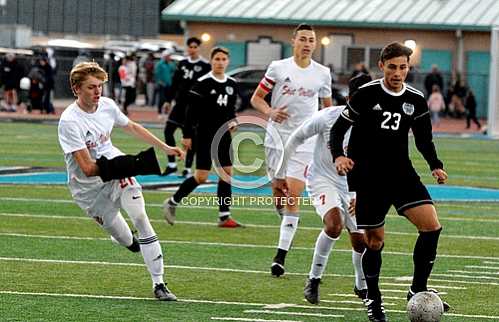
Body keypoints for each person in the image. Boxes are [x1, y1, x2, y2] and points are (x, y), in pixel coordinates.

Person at [330, 42, 449, 322]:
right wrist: (338, 156)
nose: (398, 73)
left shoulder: (416, 99)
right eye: (392, 67)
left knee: (431, 226)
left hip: (401, 173)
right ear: (382, 66)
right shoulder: (365, 95)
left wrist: (435, 165)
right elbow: (338, 129)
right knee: (374, 242)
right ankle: (373, 299)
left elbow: (423, 139)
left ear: (409, 68)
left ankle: (417, 290)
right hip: (368, 177)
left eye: (403, 67)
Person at [57, 62, 184, 301]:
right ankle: (128, 241)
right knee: (127, 240)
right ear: (76, 89)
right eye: (91, 87)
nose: (98, 92)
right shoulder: (69, 121)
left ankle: (159, 284)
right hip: (87, 188)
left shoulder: (107, 106)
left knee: (140, 217)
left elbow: (132, 126)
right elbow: (86, 168)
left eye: (100, 86)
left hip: (115, 170)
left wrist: (165, 147)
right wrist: (127, 164)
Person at [275, 73, 373, 304]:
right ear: (349, 98)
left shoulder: (373, 127)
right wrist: (280, 175)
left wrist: (364, 194)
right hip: (321, 180)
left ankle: (360, 286)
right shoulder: (328, 117)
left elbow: (375, 164)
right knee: (334, 224)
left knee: (361, 240)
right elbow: (295, 139)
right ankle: (314, 279)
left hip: (353, 186)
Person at [250, 23, 333, 277]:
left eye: (312, 40)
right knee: (279, 196)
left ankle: (279, 257)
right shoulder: (278, 67)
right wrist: (270, 112)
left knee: (292, 195)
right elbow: (256, 99)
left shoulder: (322, 73)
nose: (308, 44)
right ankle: (286, 223)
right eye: (303, 39)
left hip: (304, 142)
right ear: (294, 41)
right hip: (276, 139)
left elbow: (328, 110)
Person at [163, 47, 242, 228]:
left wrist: (233, 121)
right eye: (217, 59)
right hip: (204, 134)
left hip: (223, 135)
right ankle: (172, 202)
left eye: (223, 59)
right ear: (211, 61)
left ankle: (224, 216)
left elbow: (230, 109)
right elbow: (191, 112)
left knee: (227, 173)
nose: (220, 62)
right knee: (201, 176)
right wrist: (187, 135)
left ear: (227, 61)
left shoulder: (231, 84)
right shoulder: (202, 83)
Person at [162, 37, 211, 177]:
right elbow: (175, 83)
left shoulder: (205, 66)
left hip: (194, 107)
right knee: (168, 131)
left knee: (191, 138)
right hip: (179, 105)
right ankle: (171, 164)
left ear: (199, 48)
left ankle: (188, 168)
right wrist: (168, 100)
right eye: (190, 47)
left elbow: (207, 87)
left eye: (195, 47)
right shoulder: (182, 63)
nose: (192, 49)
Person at [154, 49, 175, 116]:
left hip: (169, 84)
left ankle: (166, 111)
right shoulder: (160, 64)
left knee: (168, 99)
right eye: (167, 56)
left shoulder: (171, 64)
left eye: (169, 56)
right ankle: (159, 112)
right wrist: (159, 81)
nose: (169, 57)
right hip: (162, 84)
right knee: (162, 99)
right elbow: (157, 74)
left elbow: (174, 71)